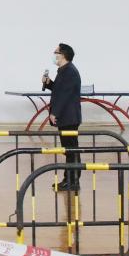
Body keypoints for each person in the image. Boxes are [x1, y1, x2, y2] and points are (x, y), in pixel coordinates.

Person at [43, 42, 82, 191]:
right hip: (67, 117)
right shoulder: (64, 70)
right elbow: (59, 89)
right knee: (69, 150)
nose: (54, 55)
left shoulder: (69, 71)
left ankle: (72, 181)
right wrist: (49, 83)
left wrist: (55, 113)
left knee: (71, 150)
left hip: (68, 117)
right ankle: (69, 179)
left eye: (56, 53)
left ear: (63, 55)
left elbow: (65, 95)